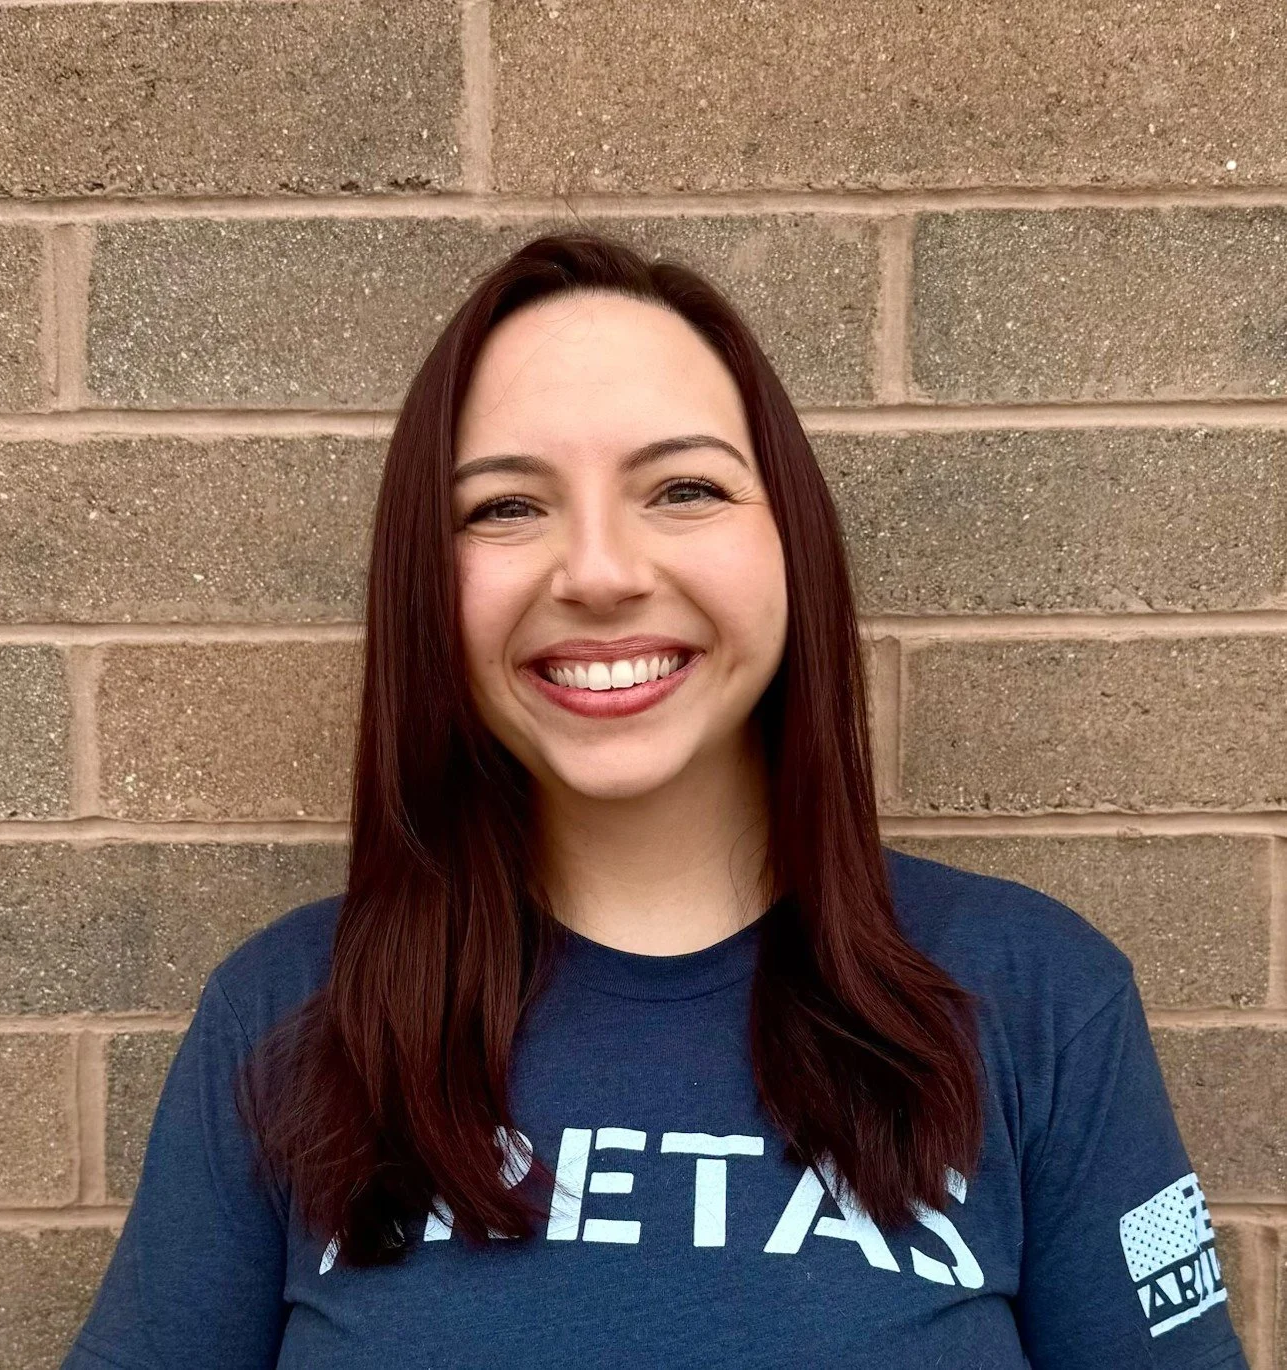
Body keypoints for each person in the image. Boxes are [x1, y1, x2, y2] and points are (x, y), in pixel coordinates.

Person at [62, 230, 1248, 1369]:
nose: (600, 571)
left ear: (791, 541)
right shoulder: (285, 1017)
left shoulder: (1039, 1002)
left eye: (682, 487)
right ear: (428, 581)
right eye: (505, 506)